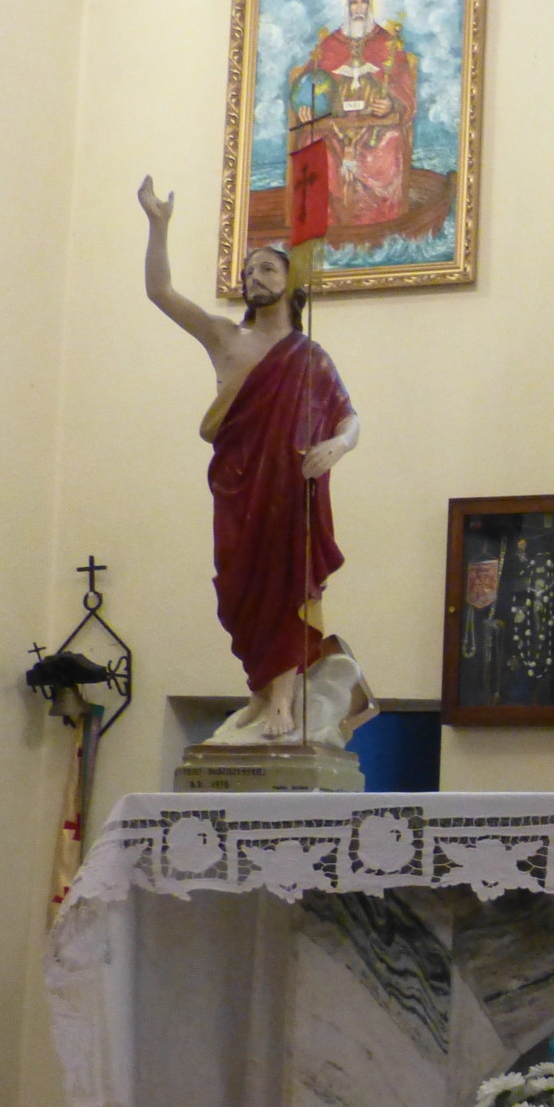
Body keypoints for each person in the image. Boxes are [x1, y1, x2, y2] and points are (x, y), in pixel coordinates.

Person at [138, 174, 364, 743]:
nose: (253, 277)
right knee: (241, 592)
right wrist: (158, 226)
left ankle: (282, 699)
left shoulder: (310, 357)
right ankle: (261, 690)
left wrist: (337, 446)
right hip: (238, 488)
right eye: (247, 271)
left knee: (285, 586)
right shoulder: (225, 339)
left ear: (291, 283)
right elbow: (161, 293)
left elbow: (350, 419)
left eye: (266, 268)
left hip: (290, 490)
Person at [289, 0, 418, 228]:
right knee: (311, 143)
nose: (359, 8)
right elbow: (310, 81)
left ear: (370, 4)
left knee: (390, 144)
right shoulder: (329, 44)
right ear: (347, 6)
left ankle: (376, 227)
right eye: (354, 3)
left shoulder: (387, 44)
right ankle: (320, 225)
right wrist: (306, 106)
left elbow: (404, 86)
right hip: (334, 125)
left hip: (375, 127)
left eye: (364, 2)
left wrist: (392, 104)